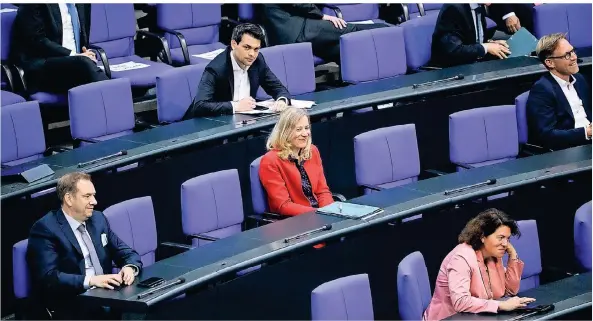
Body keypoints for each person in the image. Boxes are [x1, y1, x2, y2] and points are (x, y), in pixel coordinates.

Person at [27, 172, 142, 319]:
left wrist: (129, 268)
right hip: (74, 303)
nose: (94, 201)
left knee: (144, 309)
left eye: (93, 195)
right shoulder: (45, 229)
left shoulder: (98, 219)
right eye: (87, 196)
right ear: (69, 199)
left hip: (107, 296)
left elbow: (126, 253)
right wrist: (91, 280)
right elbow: (49, 278)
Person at [423, 208, 535, 321]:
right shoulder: (461, 258)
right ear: (482, 236)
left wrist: (513, 256)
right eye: (500, 238)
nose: (505, 244)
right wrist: (500, 305)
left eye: (508, 239)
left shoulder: (493, 255)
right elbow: (461, 302)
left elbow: (510, 291)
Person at [184, 23, 291, 119]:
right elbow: (200, 105)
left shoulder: (258, 61)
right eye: (247, 47)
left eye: (256, 49)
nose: (252, 54)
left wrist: (282, 100)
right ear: (234, 44)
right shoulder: (216, 68)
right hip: (209, 124)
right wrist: (236, 106)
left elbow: (278, 88)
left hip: (243, 120)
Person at [11, 4, 109, 93]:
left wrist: (85, 51)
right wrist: (74, 55)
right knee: (85, 66)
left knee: (88, 75)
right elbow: (36, 41)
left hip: (74, 63)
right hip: (42, 65)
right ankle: (114, 100)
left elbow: (83, 34)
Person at [259, 108, 334, 216]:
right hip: (294, 221)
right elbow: (283, 205)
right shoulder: (270, 161)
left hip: (320, 215)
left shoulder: (312, 151)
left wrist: (330, 212)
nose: (305, 134)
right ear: (285, 132)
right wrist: (318, 214)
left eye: (306, 128)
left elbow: (322, 191)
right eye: (298, 129)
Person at [527, 33, 592, 150]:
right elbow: (547, 135)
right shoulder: (542, 90)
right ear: (549, 62)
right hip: (570, 149)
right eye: (567, 55)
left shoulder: (580, 79)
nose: (574, 57)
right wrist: (586, 133)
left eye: (573, 51)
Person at [261, 4, 389, 63]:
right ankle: (387, 31)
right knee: (352, 30)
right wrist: (322, 16)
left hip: (294, 30)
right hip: (298, 30)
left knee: (344, 50)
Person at [431, 3, 511, 68]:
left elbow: (470, 39)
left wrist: (490, 43)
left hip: (470, 62)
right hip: (450, 71)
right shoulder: (453, 8)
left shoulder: (479, 5)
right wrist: (485, 47)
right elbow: (453, 50)